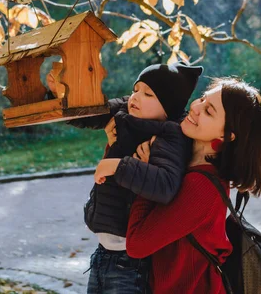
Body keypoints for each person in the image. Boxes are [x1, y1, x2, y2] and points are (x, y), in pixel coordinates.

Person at [126, 77, 261, 294]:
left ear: (226, 135)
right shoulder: (187, 164)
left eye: (209, 111)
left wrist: (149, 179)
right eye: (203, 99)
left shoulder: (201, 186)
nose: (195, 107)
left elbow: (137, 244)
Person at [67, 62, 203, 294]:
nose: (136, 97)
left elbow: (166, 185)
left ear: (168, 108)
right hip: (103, 253)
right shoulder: (125, 110)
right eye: (136, 89)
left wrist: (119, 166)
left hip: (131, 263)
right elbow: (88, 113)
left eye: (148, 93)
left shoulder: (169, 135)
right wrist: (59, 95)